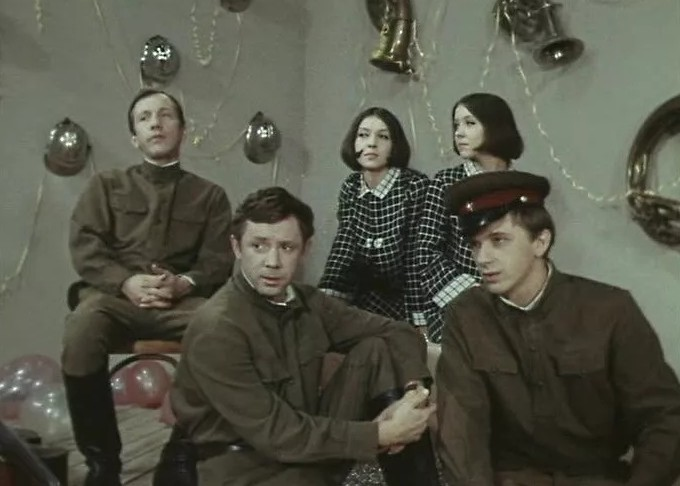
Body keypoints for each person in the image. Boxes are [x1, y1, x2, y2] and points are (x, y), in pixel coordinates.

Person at [170, 186, 441, 486]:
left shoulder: (308, 301)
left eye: (287, 247)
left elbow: (399, 331)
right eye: (258, 246)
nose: (272, 262)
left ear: (305, 249)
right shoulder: (217, 327)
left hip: (308, 451)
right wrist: (380, 434)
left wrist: (414, 394)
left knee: (376, 348)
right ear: (236, 247)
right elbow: (277, 433)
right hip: (247, 469)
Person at [436, 170, 680, 485]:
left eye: (498, 241)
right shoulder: (467, 315)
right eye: (475, 245)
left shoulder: (610, 310)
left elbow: (664, 418)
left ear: (541, 241)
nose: (482, 258)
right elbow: (462, 432)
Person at [61, 89, 233, 486]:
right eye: (144, 118)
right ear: (134, 138)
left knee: (224, 328)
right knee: (81, 328)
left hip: (181, 304)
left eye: (165, 115)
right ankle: (102, 463)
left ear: (183, 130)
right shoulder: (106, 186)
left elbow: (218, 260)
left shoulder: (209, 196)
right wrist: (125, 282)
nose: (155, 123)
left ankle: (181, 452)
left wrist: (183, 284)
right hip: (115, 301)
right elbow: (86, 247)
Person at [417, 93, 523, 343]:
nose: (459, 133)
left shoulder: (522, 187)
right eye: (456, 125)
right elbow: (426, 254)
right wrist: (475, 297)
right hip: (457, 310)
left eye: (469, 123)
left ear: (495, 126)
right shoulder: (445, 182)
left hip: (513, 309)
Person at [319, 107, 429, 329]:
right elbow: (343, 249)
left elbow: (415, 260)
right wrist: (324, 303)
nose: (371, 143)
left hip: (404, 304)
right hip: (361, 303)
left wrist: (420, 323)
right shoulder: (351, 187)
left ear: (395, 145)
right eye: (363, 135)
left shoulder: (414, 186)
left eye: (383, 137)